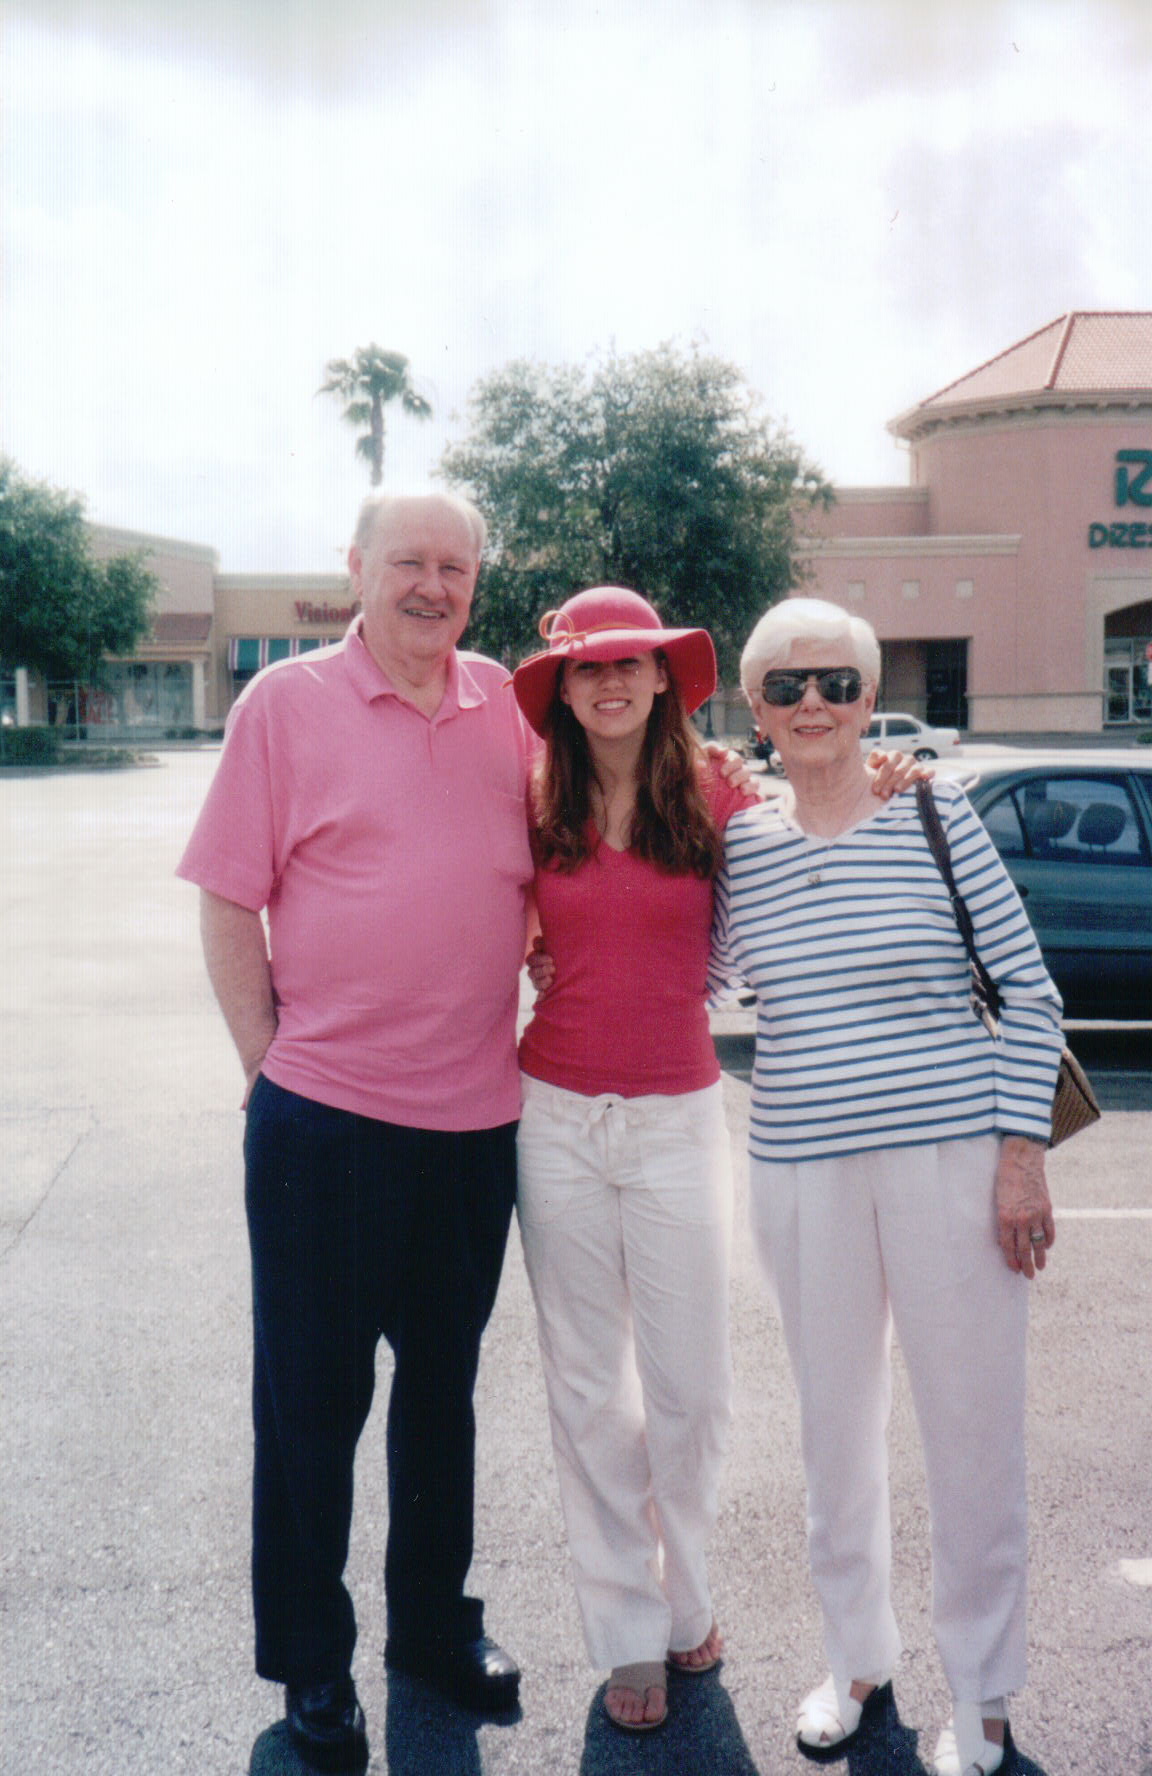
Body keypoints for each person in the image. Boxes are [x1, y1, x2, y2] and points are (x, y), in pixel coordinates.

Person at [177, 493, 533, 1771]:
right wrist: (266, 1064)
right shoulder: (286, 706)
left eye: (456, 566)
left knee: (442, 1400)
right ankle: (313, 1669)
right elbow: (230, 899)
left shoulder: (508, 707)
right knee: (310, 1411)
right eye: (410, 563)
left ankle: (431, 1628)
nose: (434, 586)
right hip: (324, 1127)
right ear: (357, 571)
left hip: (475, 1128)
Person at [710, 598, 1064, 1776]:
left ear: (870, 698)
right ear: (755, 708)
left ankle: (982, 1688)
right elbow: (685, 973)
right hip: (799, 1170)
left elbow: (1030, 993)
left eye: (837, 682)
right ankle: (855, 1658)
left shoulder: (933, 813)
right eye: (787, 685)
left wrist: (1020, 1155)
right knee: (832, 1432)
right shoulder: (737, 845)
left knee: (973, 1431)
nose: (813, 702)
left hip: (950, 1165)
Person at [509, 586, 755, 1732]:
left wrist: (899, 783)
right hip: (553, 1115)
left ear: (664, 677)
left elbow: (825, 834)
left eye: (630, 663)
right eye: (587, 667)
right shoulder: (528, 795)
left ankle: (688, 1591)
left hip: (675, 1118)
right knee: (587, 1386)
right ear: (562, 689)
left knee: (691, 1386)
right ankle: (626, 1630)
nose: (609, 682)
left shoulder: (719, 791)